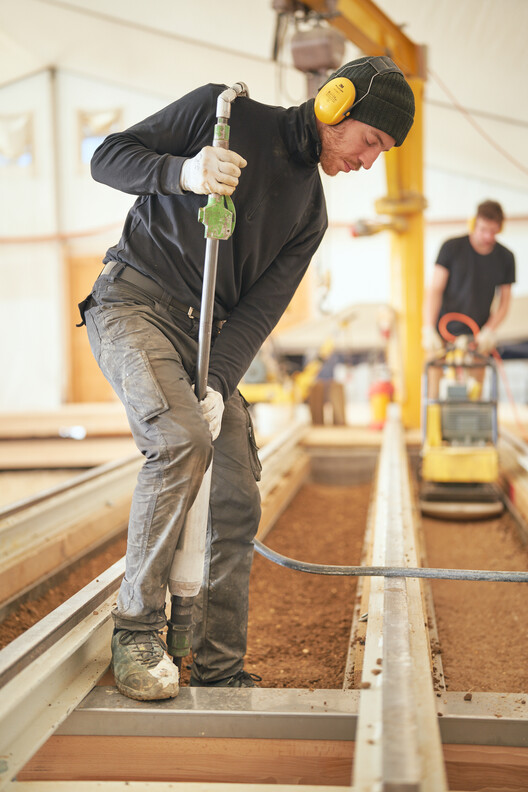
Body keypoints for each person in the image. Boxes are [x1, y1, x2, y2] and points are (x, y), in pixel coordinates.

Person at [78, 56, 415, 701]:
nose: (370, 161)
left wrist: (217, 384)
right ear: (336, 104)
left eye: (383, 152)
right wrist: (183, 172)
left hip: (207, 340)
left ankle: (216, 663)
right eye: (371, 140)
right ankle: (137, 629)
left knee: (234, 492)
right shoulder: (221, 114)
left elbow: (260, 310)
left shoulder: (310, 214)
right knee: (179, 441)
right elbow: (106, 157)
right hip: (132, 305)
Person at [423, 200, 516, 357]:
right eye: (483, 229)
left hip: (478, 336)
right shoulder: (451, 248)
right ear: (474, 224)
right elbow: (435, 290)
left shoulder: (506, 257)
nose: (487, 236)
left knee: (476, 371)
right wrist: (428, 328)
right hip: (443, 332)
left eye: (493, 231)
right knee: (433, 367)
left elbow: (504, 302)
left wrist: (489, 330)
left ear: (500, 228)